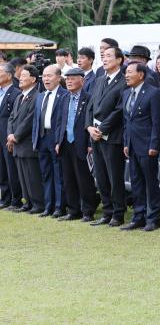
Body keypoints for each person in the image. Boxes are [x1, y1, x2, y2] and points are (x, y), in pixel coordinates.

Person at [86, 47, 127, 227]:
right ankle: (107, 211)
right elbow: (90, 106)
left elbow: (119, 110)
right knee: (100, 176)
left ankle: (118, 213)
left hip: (112, 136)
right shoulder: (99, 79)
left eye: (109, 56)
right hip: (94, 135)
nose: (105, 58)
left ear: (119, 60)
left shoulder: (124, 81)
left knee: (114, 176)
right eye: (103, 56)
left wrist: (101, 128)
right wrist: (89, 127)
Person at [121, 62, 160, 232]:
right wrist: (126, 142)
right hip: (131, 145)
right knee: (136, 182)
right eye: (126, 72)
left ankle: (153, 218)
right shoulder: (126, 94)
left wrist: (154, 144)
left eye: (130, 72)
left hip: (147, 145)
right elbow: (126, 122)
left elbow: (157, 122)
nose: (126, 75)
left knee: (150, 183)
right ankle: (139, 216)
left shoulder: (153, 93)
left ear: (141, 75)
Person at [55, 68, 98, 222]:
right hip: (66, 142)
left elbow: (91, 121)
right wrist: (58, 141)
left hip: (82, 143)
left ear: (82, 80)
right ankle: (73, 210)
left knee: (84, 178)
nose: (69, 81)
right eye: (67, 79)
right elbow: (60, 121)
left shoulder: (89, 98)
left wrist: (90, 143)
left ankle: (88, 211)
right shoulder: (64, 98)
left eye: (73, 78)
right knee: (68, 178)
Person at [32, 65, 67, 218]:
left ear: (58, 77)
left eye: (49, 76)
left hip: (56, 139)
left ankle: (59, 207)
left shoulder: (64, 95)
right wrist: (35, 139)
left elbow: (63, 121)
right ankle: (48, 206)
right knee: (46, 174)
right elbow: (36, 120)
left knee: (58, 174)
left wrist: (59, 140)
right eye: (44, 76)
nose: (46, 79)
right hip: (42, 138)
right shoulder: (40, 96)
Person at [7, 65, 43, 213]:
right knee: (22, 175)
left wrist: (16, 135)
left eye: (24, 76)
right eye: (20, 76)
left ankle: (38, 204)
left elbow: (30, 120)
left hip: (27, 143)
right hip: (16, 143)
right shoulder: (19, 97)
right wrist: (10, 135)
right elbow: (11, 118)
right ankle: (27, 203)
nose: (20, 78)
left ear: (33, 79)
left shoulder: (36, 96)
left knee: (32, 176)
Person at [0, 63, 22, 210]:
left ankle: (16, 199)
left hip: (7, 135)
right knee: (1, 168)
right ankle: (5, 198)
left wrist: (11, 135)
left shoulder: (16, 93)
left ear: (8, 75)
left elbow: (15, 118)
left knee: (11, 168)